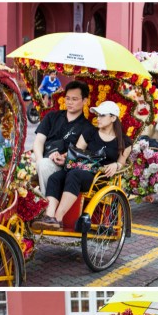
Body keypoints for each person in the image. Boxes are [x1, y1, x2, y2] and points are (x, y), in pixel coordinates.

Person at [33, 100, 131, 230]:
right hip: (80, 169)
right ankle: (49, 217)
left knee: (74, 175)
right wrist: (64, 160)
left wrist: (116, 165)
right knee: (56, 177)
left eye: (102, 115)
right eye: (97, 115)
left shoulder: (124, 141)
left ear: (113, 118)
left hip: (99, 177)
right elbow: (76, 154)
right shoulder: (89, 132)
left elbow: (122, 163)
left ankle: (58, 218)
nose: (98, 118)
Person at [33, 80, 93, 196]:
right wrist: (39, 160)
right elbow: (38, 142)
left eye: (74, 99)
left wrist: (60, 158)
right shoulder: (52, 116)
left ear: (85, 101)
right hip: (41, 157)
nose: (69, 102)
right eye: (67, 98)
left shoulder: (87, 127)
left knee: (44, 165)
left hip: (63, 165)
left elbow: (77, 153)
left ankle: (45, 207)